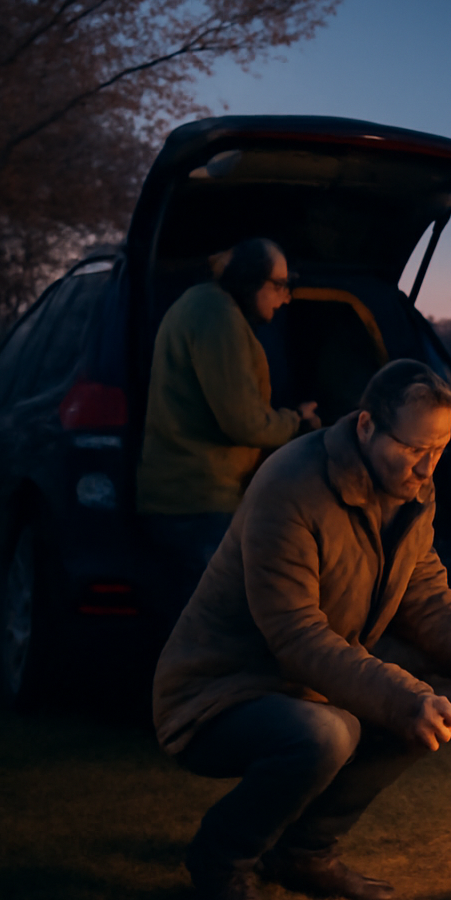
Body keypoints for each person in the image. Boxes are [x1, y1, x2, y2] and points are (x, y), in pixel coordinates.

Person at [152, 359, 451, 900]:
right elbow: (294, 634)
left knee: (437, 712)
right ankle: (219, 863)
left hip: (310, 687)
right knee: (334, 731)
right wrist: (402, 695)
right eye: (413, 448)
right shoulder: (290, 488)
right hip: (217, 692)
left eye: (440, 449)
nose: (428, 467)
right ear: (365, 428)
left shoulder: (411, 494)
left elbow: (426, 600)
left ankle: (304, 852)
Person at [138, 237, 321, 626]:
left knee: (190, 629)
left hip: (186, 500)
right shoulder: (216, 315)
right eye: (279, 285)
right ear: (250, 280)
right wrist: (297, 423)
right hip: (199, 502)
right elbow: (243, 422)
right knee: (215, 633)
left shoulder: (203, 307)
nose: (285, 298)